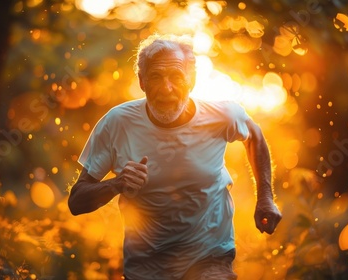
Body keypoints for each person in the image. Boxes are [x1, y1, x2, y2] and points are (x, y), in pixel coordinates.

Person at [68, 34, 282, 280]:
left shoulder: (223, 116)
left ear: (191, 81)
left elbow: (254, 137)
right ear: (142, 81)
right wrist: (117, 184)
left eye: (176, 77)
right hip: (146, 268)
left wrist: (265, 197)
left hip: (210, 256)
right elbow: (77, 202)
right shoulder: (117, 123)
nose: (166, 88)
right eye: (156, 77)